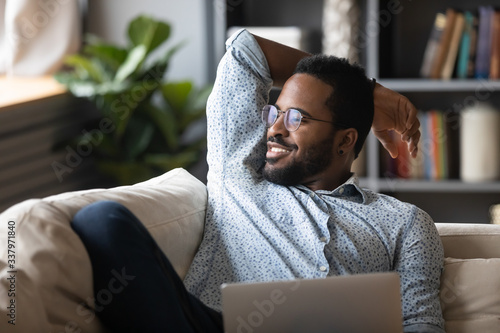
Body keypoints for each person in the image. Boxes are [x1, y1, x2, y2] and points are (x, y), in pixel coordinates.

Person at [71, 29, 444, 333]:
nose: (276, 129)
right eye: (275, 113)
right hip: (214, 327)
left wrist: (358, 99)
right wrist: (370, 94)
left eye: (297, 118)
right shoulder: (238, 173)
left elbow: (421, 322)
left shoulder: (405, 223)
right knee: (101, 221)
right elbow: (245, 50)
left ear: (346, 140)